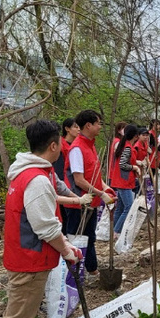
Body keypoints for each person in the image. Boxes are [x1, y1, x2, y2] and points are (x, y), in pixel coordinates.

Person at [0, 120, 85, 318]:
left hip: (22, 257)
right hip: (29, 261)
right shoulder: (36, 180)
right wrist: (66, 250)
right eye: (60, 142)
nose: (63, 145)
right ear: (53, 145)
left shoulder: (29, 171)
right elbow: (46, 228)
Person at [64, 110, 115, 275]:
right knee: (76, 238)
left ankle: (91, 269)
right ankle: (72, 274)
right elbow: (79, 180)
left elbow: (93, 175)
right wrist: (101, 193)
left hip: (91, 202)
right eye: (98, 123)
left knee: (90, 237)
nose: (100, 127)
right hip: (78, 203)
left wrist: (105, 187)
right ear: (88, 125)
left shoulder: (91, 146)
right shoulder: (77, 148)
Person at [111, 124, 141, 236]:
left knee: (120, 207)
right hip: (124, 181)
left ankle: (114, 231)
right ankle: (117, 231)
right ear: (136, 136)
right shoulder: (127, 148)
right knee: (129, 207)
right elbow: (122, 164)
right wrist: (135, 167)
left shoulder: (124, 146)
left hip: (121, 180)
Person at [52, 117, 80, 231]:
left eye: (79, 127)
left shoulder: (76, 146)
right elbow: (58, 170)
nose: (78, 129)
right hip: (64, 187)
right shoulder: (61, 146)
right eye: (75, 127)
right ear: (67, 129)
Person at [108, 121, 127, 187]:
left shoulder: (116, 140)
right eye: (124, 128)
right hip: (115, 174)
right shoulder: (118, 142)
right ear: (119, 130)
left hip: (113, 173)